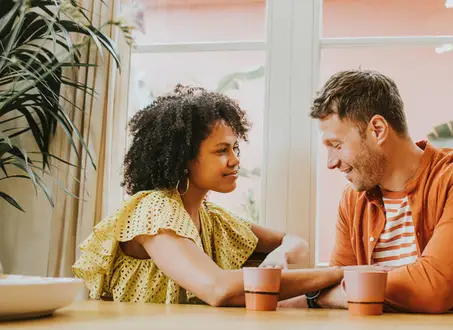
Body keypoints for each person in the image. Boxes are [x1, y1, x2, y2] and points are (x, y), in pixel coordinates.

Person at [72, 84, 343, 306]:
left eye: (235, 148)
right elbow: (218, 289)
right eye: (221, 151)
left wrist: (280, 254)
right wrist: (336, 274)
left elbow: (296, 242)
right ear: (184, 158)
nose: (235, 160)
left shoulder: (211, 218)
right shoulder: (155, 211)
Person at [283, 69, 453, 313]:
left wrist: (323, 296)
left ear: (378, 129)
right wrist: (327, 294)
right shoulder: (353, 199)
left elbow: (432, 289)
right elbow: (334, 286)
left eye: (337, 145)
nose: (331, 162)